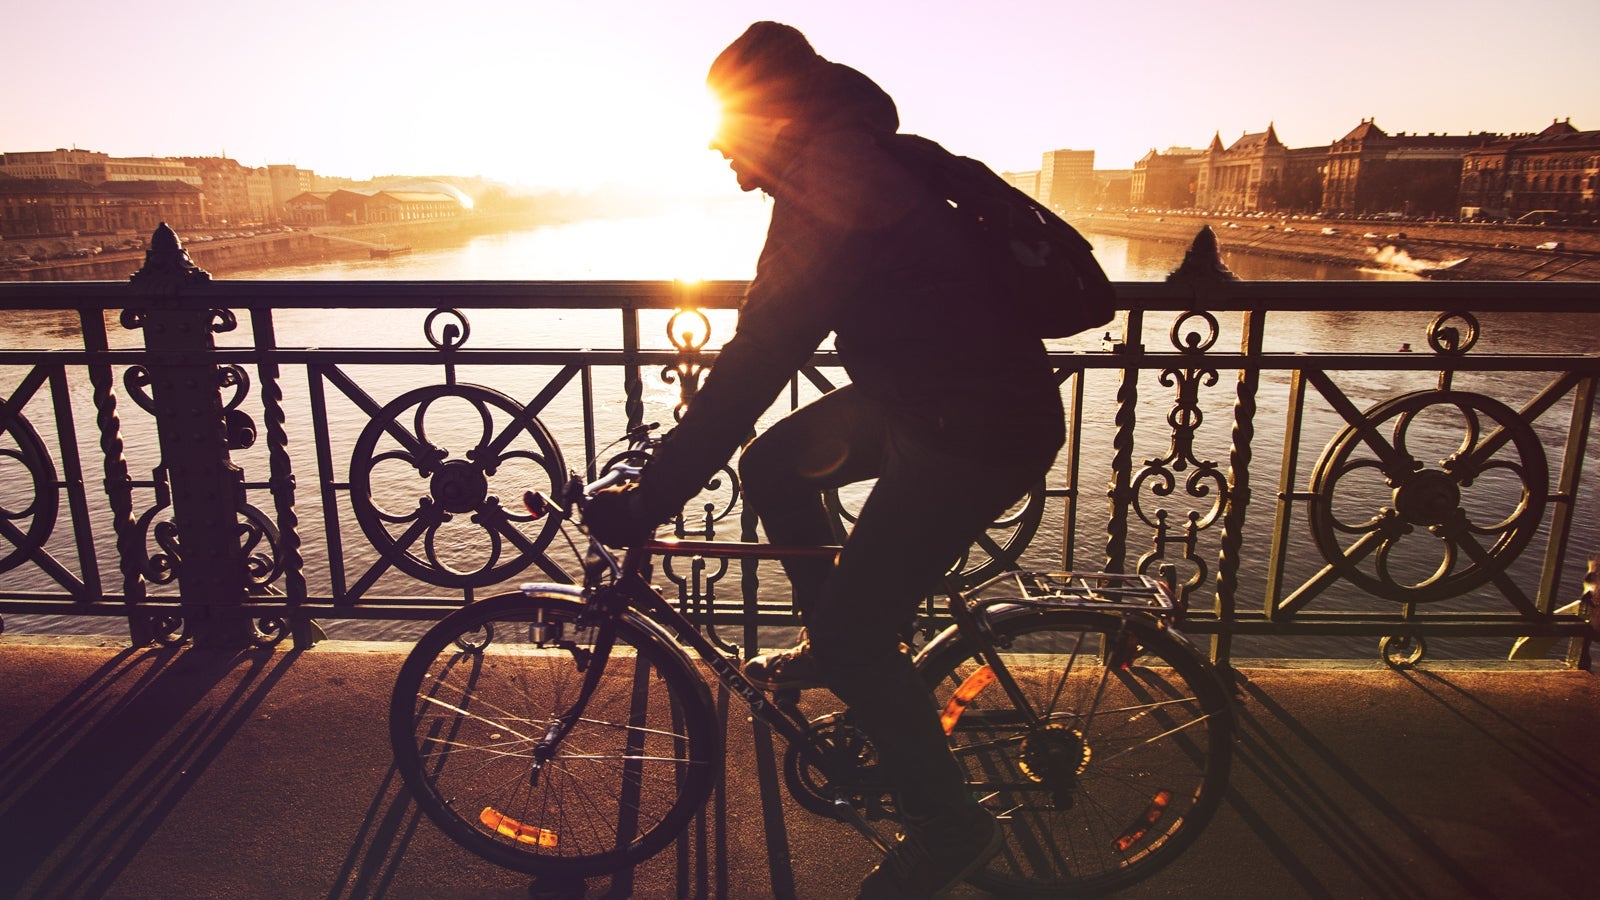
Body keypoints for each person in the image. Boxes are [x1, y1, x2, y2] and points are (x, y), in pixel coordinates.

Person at [585, 21, 1064, 898]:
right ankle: (838, 641)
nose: (726, 165)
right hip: (935, 397)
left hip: (976, 427)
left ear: (770, 120)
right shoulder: (852, 154)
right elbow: (762, 355)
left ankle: (949, 827)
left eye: (727, 140)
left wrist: (649, 500)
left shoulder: (833, 181)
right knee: (773, 467)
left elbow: (760, 357)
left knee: (855, 637)